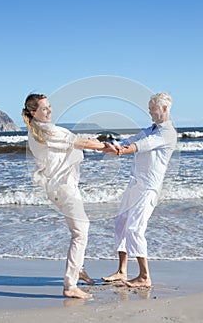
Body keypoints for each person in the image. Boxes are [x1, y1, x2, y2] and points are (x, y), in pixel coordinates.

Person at [22, 93, 106, 299]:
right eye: (44, 108)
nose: (49, 111)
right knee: (81, 231)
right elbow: (83, 143)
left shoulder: (35, 132)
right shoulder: (49, 131)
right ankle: (70, 285)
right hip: (64, 190)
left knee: (77, 228)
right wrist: (116, 147)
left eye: (49, 107)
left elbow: (76, 143)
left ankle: (79, 269)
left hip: (58, 189)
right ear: (34, 112)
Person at [102, 93, 177, 288]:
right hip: (135, 184)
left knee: (135, 228)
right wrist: (110, 145)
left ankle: (144, 276)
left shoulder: (167, 133)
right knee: (121, 224)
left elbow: (142, 146)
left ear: (165, 109)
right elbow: (132, 140)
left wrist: (120, 151)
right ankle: (122, 271)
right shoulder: (150, 129)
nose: (150, 111)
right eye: (150, 107)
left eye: (153, 107)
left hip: (149, 187)